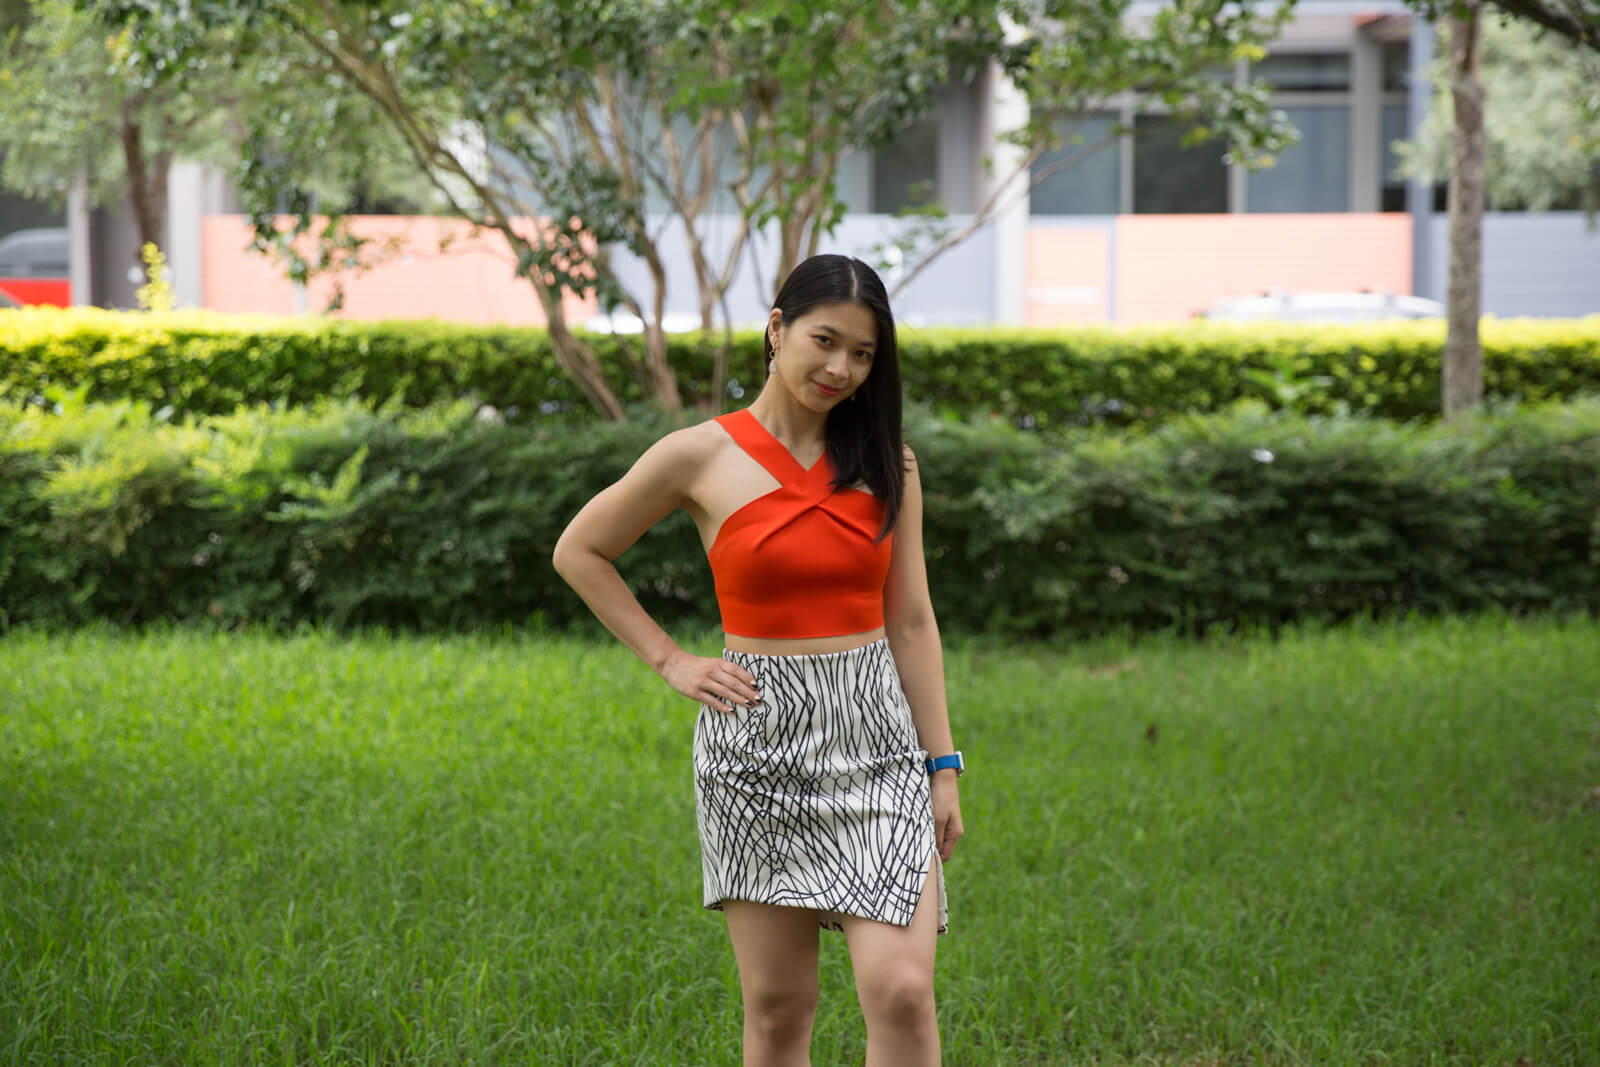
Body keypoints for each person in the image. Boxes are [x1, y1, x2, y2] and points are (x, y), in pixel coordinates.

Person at [553, 253, 963, 1066]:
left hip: (875, 744)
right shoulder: (699, 454)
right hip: (755, 749)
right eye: (825, 340)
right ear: (776, 330)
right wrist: (670, 660)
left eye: (864, 354)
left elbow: (911, 621)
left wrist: (942, 764)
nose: (841, 368)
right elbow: (580, 550)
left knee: (903, 993)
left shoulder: (890, 464)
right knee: (779, 1011)